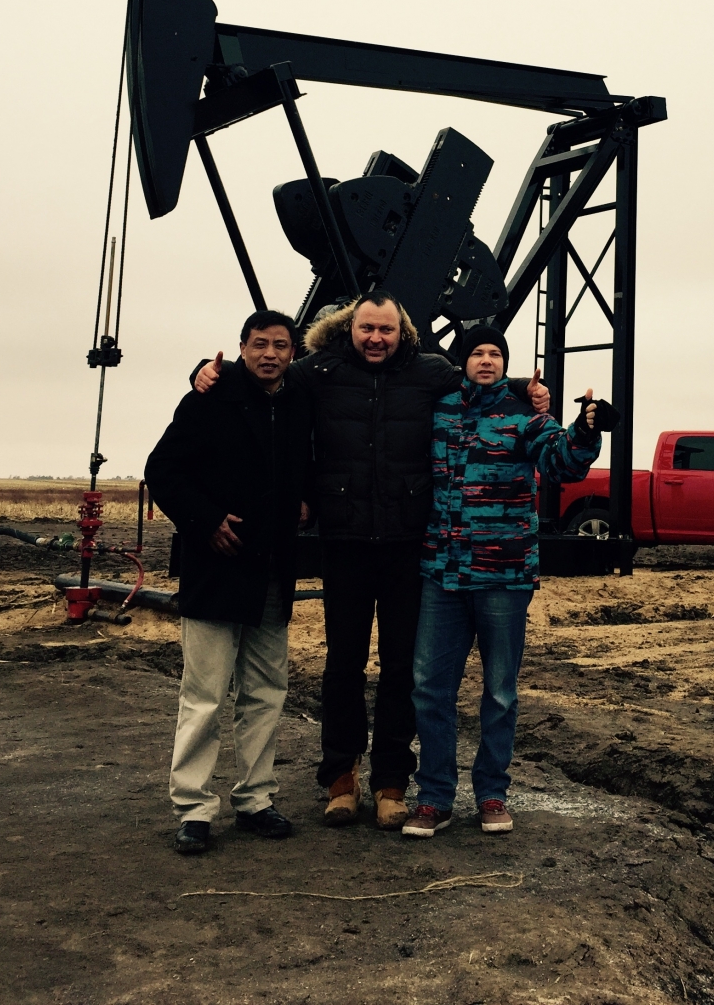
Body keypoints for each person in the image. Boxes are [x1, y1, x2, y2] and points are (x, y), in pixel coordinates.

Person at [191, 290, 550, 832]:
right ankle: (341, 778)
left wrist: (525, 388)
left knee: (401, 667)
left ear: (402, 333)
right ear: (350, 330)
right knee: (344, 664)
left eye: (386, 330)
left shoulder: (430, 372)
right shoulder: (321, 372)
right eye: (367, 329)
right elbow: (266, 373)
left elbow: (482, 379)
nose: (376, 339)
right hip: (346, 540)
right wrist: (202, 370)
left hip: (408, 543)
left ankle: (390, 782)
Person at [403, 325, 604, 839]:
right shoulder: (437, 410)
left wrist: (585, 430)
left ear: (505, 363)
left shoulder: (524, 417)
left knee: (499, 693)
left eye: (496, 353)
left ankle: (492, 794)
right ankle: (434, 798)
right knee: (430, 689)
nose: (486, 360)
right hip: (442, 573)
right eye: (477, 352)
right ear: (463, 361)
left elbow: (562, 463)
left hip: (504, 576)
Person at [146, 310, 312, 855]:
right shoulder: (209, 397)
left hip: (271, 572)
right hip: (217, 567)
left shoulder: (299, 402)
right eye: (260, 344)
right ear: (241, 347)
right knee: (204, 696)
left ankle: (256, 799)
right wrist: (205, 520)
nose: (270, 354)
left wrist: (306, 500)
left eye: (280, 345)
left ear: (293, 353)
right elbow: (162, 469)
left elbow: (309, 465)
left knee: (265, 692)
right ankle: (193, 809)